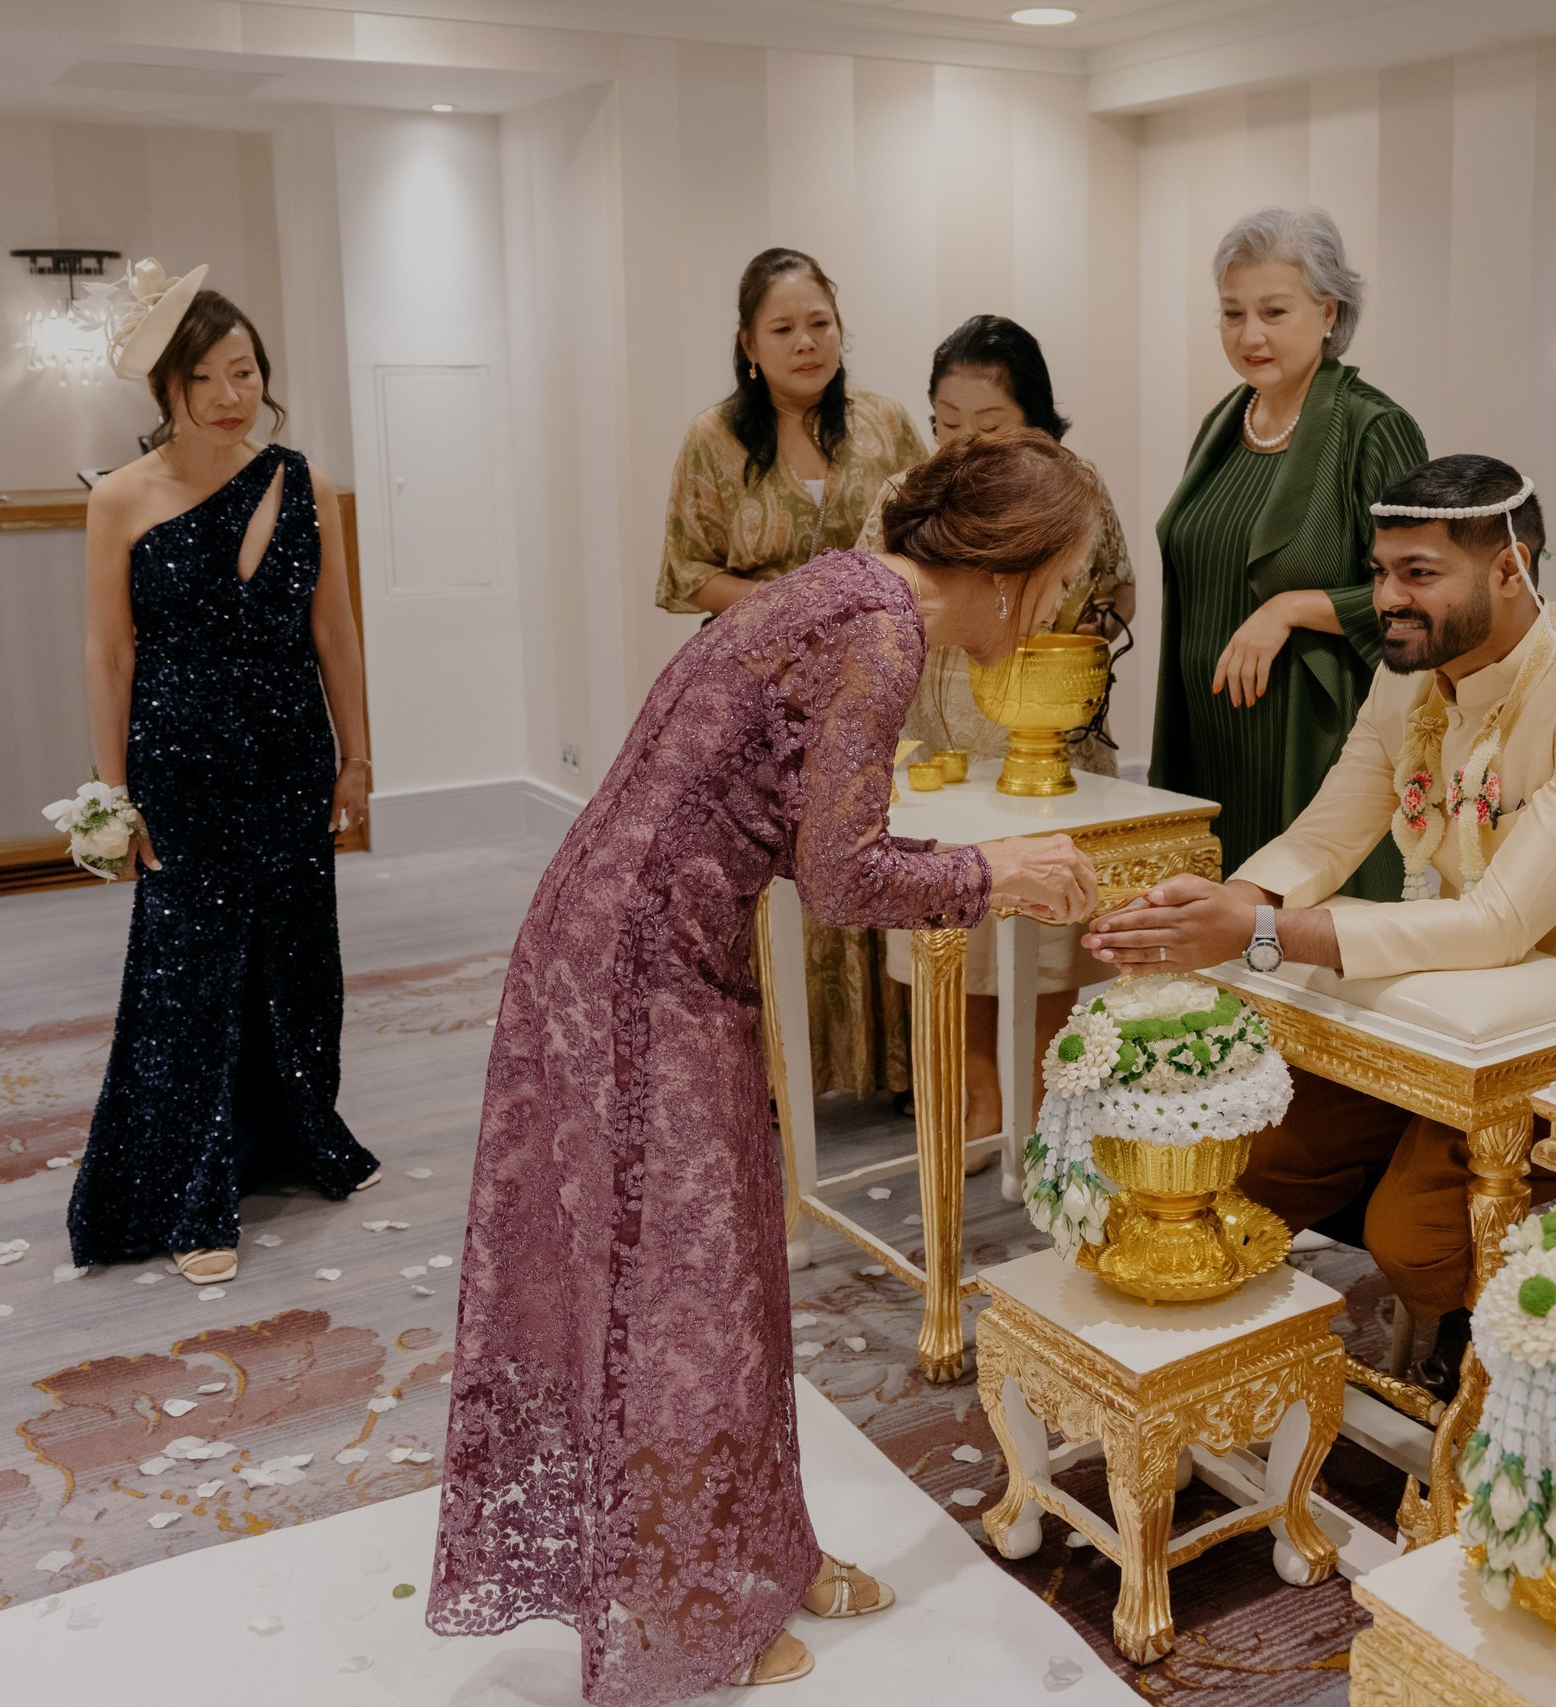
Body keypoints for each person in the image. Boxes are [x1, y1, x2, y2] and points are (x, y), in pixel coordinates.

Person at [430, 429, 1102, 1701]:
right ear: (1010, 575)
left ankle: (759, 1556)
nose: (1062, 610)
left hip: (635, 939)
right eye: (1062, 583)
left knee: (731, 1280)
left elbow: (797, 831)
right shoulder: (882, 628)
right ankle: (684, 1614)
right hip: (636, 968)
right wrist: (994, 876)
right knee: (679, 1297)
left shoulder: (846, 586)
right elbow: (844, 879)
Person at [1087, 456, 1556, 1399]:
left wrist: (1263, 936)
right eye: (1382, 570)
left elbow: (1499, 919)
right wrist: (1219, 908)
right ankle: (1233, 1363)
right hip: (1459, 1008)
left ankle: (1508, 1366)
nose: (1388, 598)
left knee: (1414, 1238)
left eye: (1419, 573)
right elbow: (1328, 829)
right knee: (1263, 1154)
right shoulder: (1409, 678)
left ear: (1511, 567)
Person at [66, 266, 380, 1283]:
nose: (231, 393)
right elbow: (110, 654)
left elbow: (335, 633)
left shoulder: (307, 484)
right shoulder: (120, 499)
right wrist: (112, 794)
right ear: (169, 388)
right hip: (181, 772)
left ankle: (292, 1139)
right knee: (187, 978)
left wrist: (356, 757)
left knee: (295, 960)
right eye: (207, 376)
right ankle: (188, 1194)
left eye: (244, 370)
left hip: (290, 760)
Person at [655, 247, 932, 1106]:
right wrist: (796, 604)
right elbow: (684, 574)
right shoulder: (715, 438)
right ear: (749, 343)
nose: (806, 342)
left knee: (869, 847)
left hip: (870, 680)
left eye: (820, 323)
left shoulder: (885, 425)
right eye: (784, 328)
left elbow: (929, 539)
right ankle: (778, 1076)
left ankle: (893, 1068)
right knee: (775, 871)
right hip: (757, 690)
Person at [857, 315, 1135, 1152]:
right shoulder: (905, 496)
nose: (961, 447)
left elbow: (1119, 586)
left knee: (1047, 935)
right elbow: (872, 604)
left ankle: (1048, 1107)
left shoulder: (1071, 493)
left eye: (989, 427)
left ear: (1037, 423)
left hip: (1048, 747)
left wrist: (1077, 636)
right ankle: (976, 1108)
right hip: (941, 745)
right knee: (955, 926)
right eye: (945, 424)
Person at [1148, 207, 1426, 894]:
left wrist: (1292, 608)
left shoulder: (1372, 427)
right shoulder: (1224, 419)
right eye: (1232, 313)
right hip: (1210, 745)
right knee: (1213, 968)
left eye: (1274, 311)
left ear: (1328, 312)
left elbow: (1420, 595)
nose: (1250, 335)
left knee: (1294, 963)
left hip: (1310, 751)